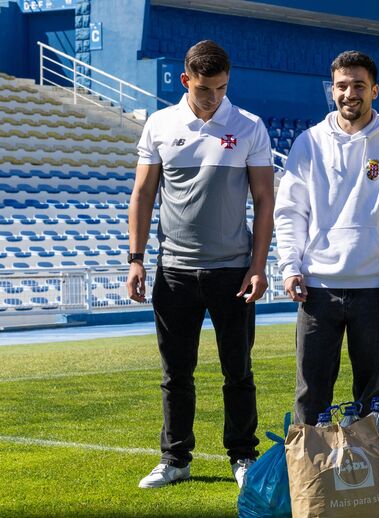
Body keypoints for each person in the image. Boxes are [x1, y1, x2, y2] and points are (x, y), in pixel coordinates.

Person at [127, 40, 274, 489]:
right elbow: (143, 194)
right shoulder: (160, 124)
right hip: (174, 271)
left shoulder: (249, 126)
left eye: (222, 88)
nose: (214, 98)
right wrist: (136, 259)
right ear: (185, 80)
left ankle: (243, 456)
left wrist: (258, 264)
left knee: (238, 370)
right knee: (175, 374)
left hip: (233, 271)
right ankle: (176, 460)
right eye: (206, 88)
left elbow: (265, 199)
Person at [274, 50, 379, 425]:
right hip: (318, 287)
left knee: (371, 396)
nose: (349, 93)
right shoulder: (308, 143)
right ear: (332, 91)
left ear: (374, 90)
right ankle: (310, 481)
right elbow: (291, 211)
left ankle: (369, 481)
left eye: (358, 85)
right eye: (342, 86)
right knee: (311, 394)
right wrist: (290, 266)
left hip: (375, 289)